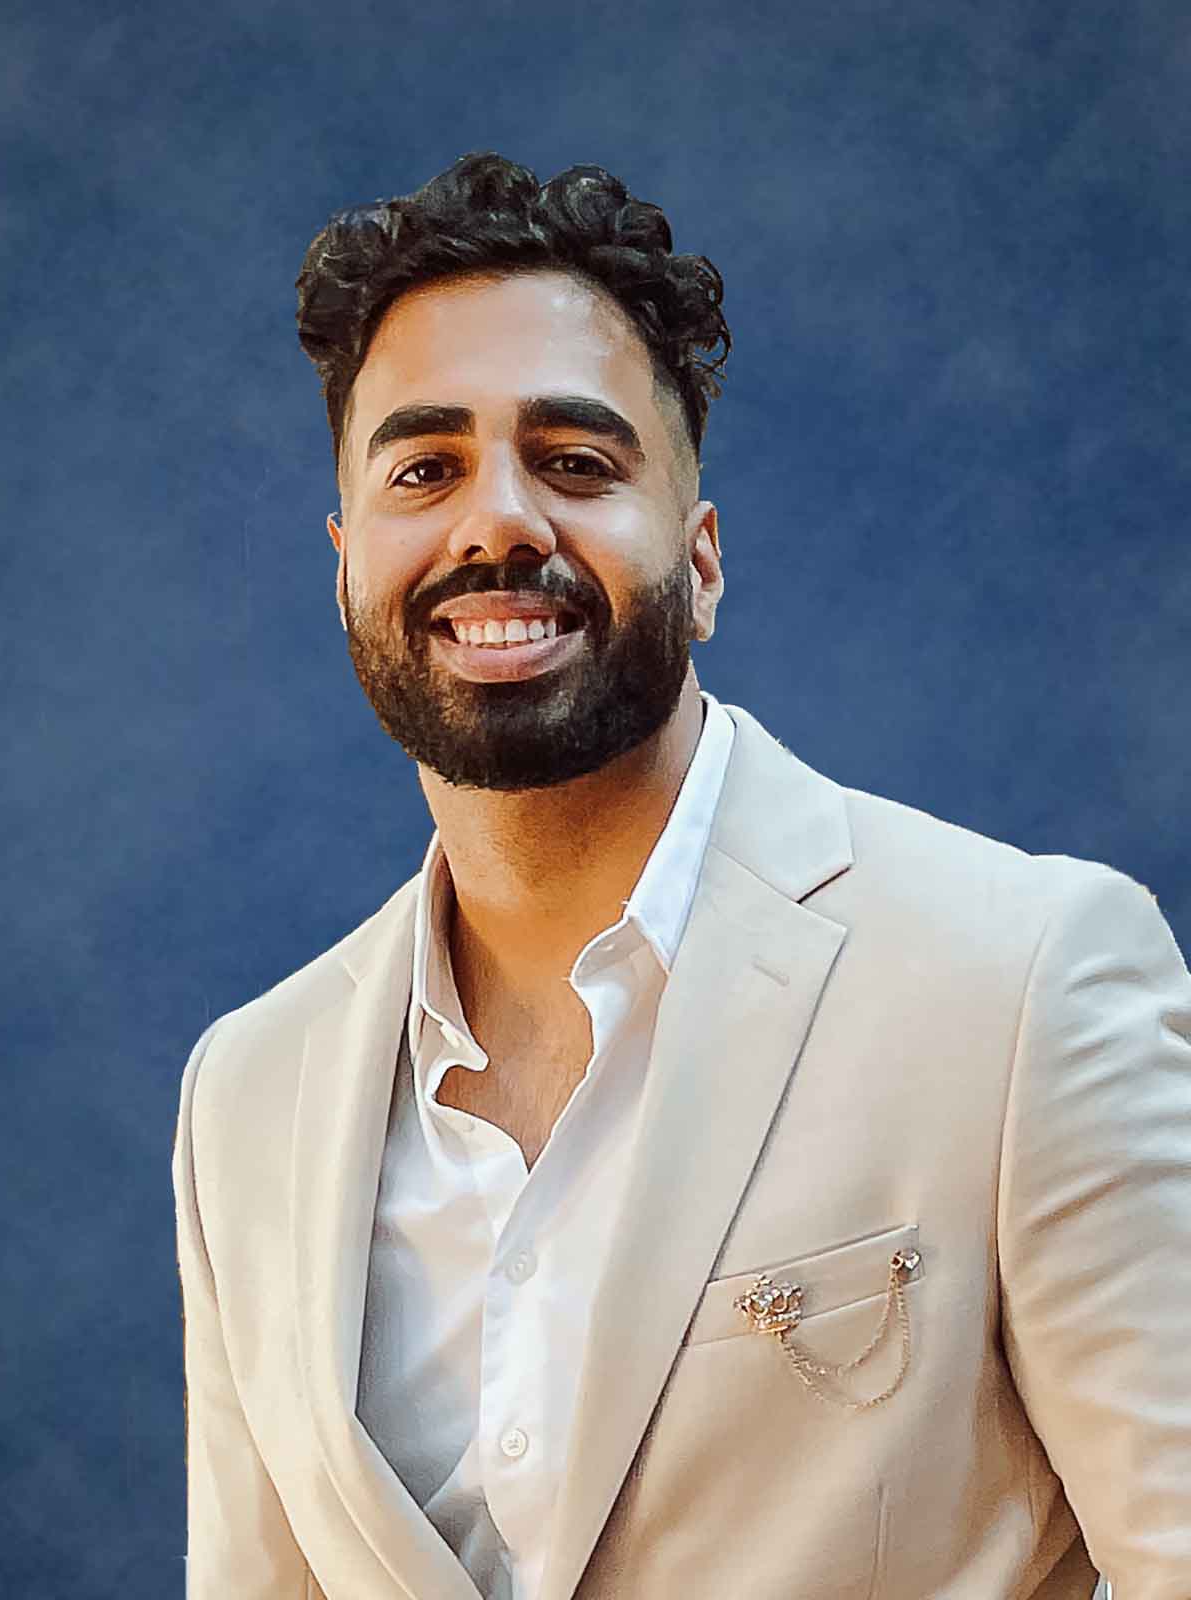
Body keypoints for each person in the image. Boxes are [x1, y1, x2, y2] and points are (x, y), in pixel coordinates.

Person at [172, 151, 1190, 1600]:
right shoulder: (248, 1095)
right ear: (347, 567)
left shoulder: (1025, 983)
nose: (497, 523)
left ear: (700, 562)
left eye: (577, 463)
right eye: (425, 468)